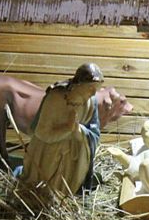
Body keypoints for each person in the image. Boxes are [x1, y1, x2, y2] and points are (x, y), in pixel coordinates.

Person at [20, 63, 104, 195]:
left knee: (65, 189)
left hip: (73, 159)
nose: (94, 92)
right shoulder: (56, 97)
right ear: (79, 84)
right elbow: (41, 132)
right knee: (45, 189)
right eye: (90, 87)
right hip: (49, 153)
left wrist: (79, 131)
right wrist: (67, 129)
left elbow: (94, 133)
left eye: (97, 88)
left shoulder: (91, 102)